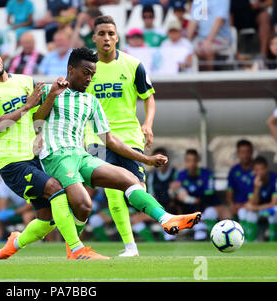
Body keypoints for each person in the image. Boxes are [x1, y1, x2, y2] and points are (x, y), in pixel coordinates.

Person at [36, 47, 202, 259]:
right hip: (57, 156)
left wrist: (147, 159)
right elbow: (36, 122)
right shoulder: (50, 92)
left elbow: (109, 139)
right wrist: (51, 96)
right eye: (86, 72)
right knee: (84, 205)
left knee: (130, 179)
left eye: (92, 75)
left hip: (81, 156)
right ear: (71, 69)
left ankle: (166, 219)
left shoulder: (91, 101)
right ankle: (75, 249)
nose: (89, 78)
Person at [0, 41, 109, 260]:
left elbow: (42, 114)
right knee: (55, 189)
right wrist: (25, 106)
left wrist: (52, 98)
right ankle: (77, 250)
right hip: (13, 162)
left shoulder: (25, 81)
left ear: (0, 54)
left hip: (36, 159)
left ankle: (13, 244)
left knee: (47, 222)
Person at [84, 16, 158, 256]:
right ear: (94, 38)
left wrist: (147, 124)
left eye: (110, 34)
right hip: (97, 138)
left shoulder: (134, 64)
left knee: (137, 191)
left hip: (129, 136)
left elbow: (148, 98)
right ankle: (130, 247)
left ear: (117, 37)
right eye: (101, 33)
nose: (106, 38)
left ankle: (164, 220)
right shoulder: (87, 67)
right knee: (112, 192)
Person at [170, 149, 229, 240]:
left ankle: (215, 237)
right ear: (185, 161)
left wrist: (188, 199)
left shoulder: (207, 174)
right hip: (188, 211)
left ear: (198, 161)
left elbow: (207, 198)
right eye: (189, 160)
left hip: (205, 208)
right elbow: (174, 196)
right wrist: (173, 192)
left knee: (210, 213)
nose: (192, 163)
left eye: (194, 160)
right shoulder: (180, 175)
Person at [187, 0, 232, 71]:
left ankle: (210, 80)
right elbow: (193, 21)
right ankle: (197, 79)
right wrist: (186, 42)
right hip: (201, 38)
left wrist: (208, 41)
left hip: (222, 38)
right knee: (188, 50)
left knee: (207, 50)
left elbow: (219, 20)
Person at [241, 156, 277, 242]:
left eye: (262, 169)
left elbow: (274, 204)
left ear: (267, 168)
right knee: (246, 213)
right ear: (254, 171)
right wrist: (256, 188)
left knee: (275, 213)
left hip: (271, 210)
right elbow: (253, 203)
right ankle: (250, 241)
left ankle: (273, 242)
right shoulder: (251, 180)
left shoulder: (274, 179)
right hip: (260, 210)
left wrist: (255, 208)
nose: (260, 172)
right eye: (257, 170)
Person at [146, 147, 179, 241]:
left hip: (173, 208)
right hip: (159, 208)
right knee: (138, 218)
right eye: (157, 160)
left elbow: (179, 194)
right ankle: (153, 241)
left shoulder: (175, 173)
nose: (160, 162)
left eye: (162, 159)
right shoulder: (151, 176)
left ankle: (170, 234)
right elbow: (151, 196)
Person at [226, 140, 254, 218]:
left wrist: (244, 205)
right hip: (236, 206)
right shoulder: (233, 171)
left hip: (252, 205)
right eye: (242, 152)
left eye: (248, 152)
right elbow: (229, 192)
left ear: (252, 153)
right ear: (238, 153)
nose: (245, 155)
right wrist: (232, 205)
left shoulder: (257, 169)